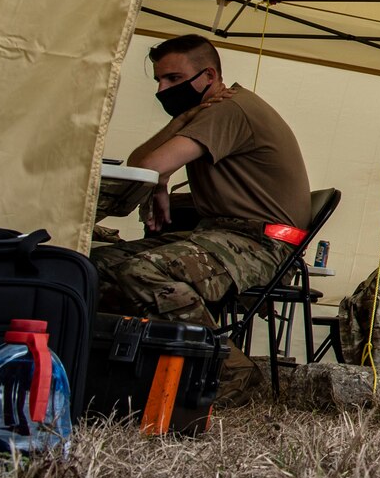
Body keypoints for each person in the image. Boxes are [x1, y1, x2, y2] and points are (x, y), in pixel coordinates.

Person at [92, 35, 313, 404]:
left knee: (141, 271)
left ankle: (227, 368)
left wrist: (162, 174)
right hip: (223, 234)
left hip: (262, 244)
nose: (163, 89)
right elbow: (141, 163)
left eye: (174, 80)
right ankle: (132, 367)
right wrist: (184, 117)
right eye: (159, 81)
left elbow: (150, 166)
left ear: (209, 75)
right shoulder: (208, 111)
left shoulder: (229, 109)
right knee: (97, 265)